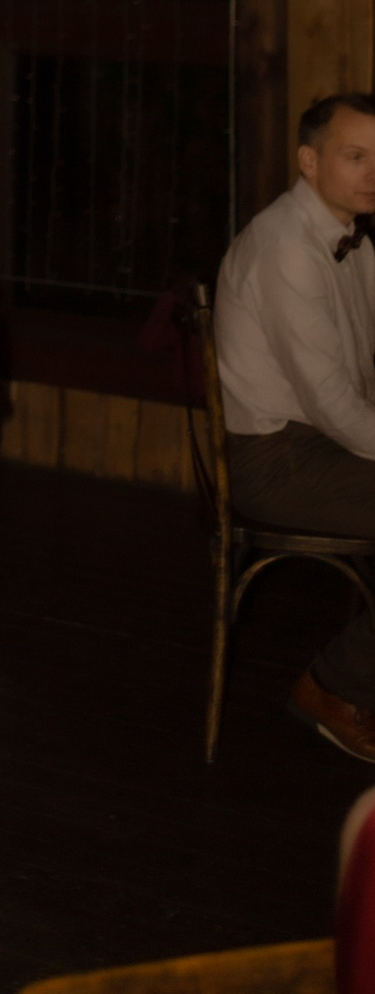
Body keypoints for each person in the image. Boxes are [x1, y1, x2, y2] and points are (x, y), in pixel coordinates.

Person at [214, 90, 375, 760]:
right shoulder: (286, 248)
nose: (373, 171)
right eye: (356, 155)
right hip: (277, 460)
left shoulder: (352, 241)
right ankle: (328, 687)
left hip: (319, 445)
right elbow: (334, 404)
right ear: (309, 161)